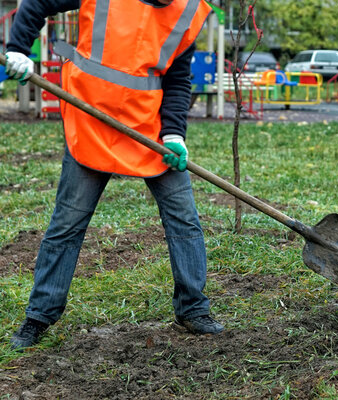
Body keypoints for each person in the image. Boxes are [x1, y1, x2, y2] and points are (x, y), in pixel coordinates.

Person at [6, 0, 224, 350]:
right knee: (67, 223)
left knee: (184, 219)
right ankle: (38, 316)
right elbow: (37, 3)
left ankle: (193, 309)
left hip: (149, 131)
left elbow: (177, 77)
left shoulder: (188, 10)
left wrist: (174, 134)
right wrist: (17, 49)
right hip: (91, 120)